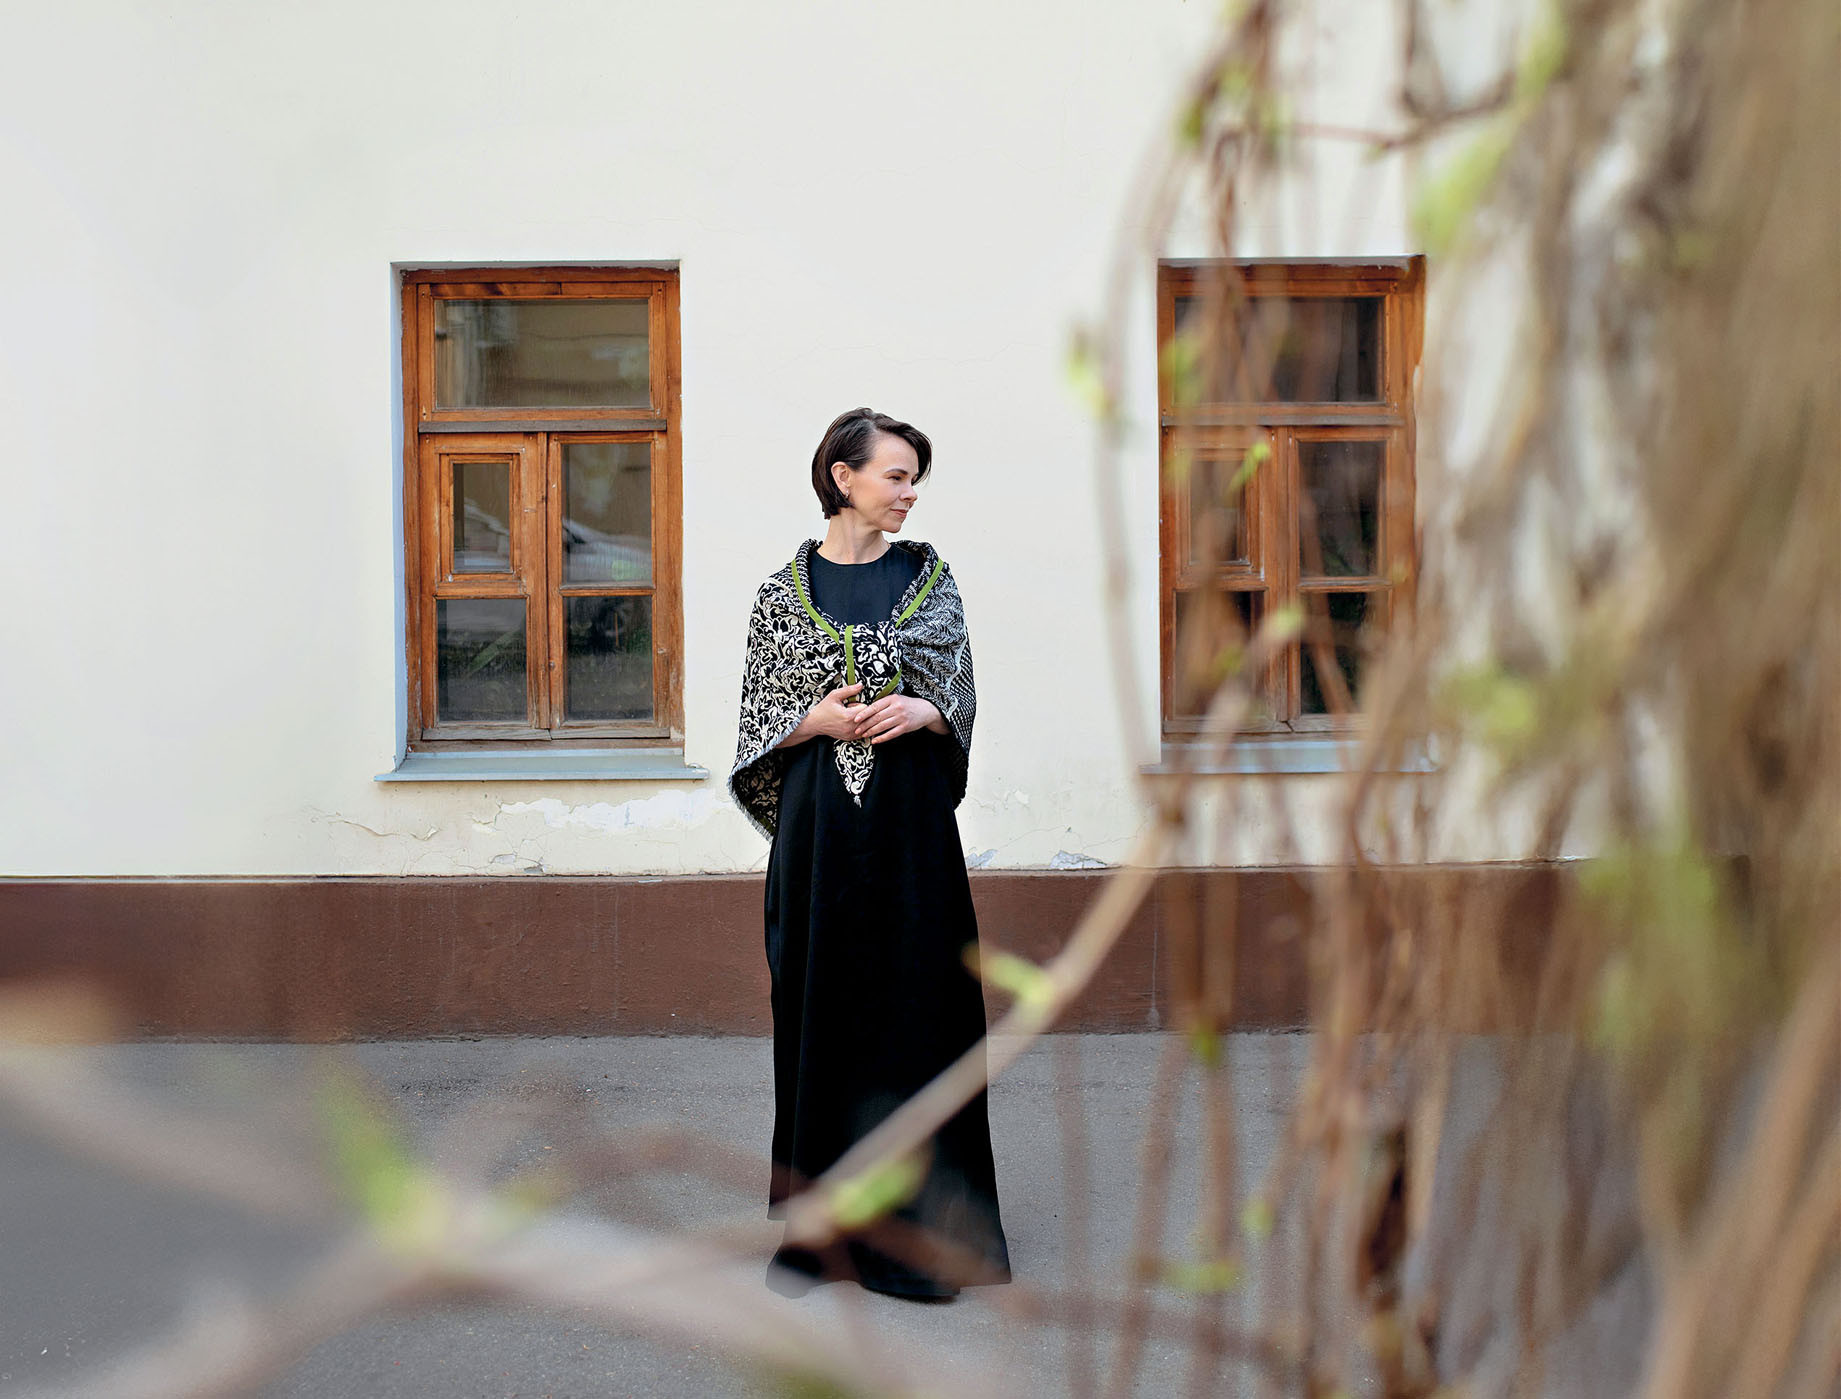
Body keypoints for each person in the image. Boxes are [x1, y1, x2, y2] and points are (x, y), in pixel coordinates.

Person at [729, 407, 1013, 1302]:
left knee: (919, 1011)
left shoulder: (929, 579)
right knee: (820, 1013)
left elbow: (955, 688)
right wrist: (813, 720)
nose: (909, 492)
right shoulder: (781, 595)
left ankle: (922, 1239)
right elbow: (757, 722)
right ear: (842, 477)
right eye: (895, 475)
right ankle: (819, 1237)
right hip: (818, 837)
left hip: (910, 834)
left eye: (913, 477)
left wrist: (926, 710)